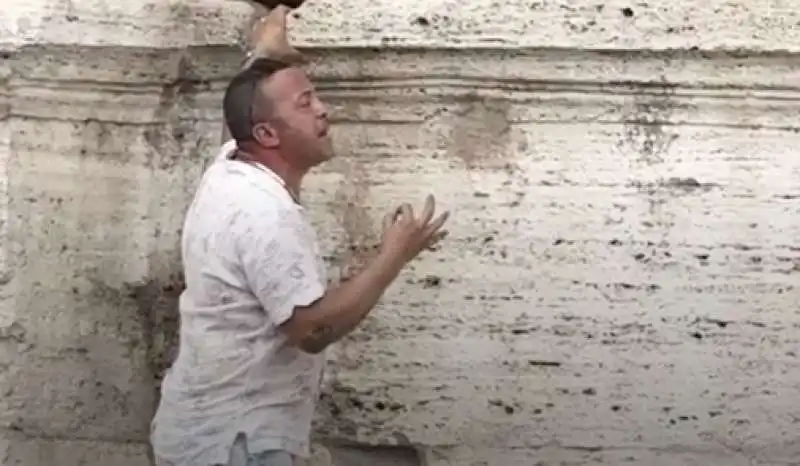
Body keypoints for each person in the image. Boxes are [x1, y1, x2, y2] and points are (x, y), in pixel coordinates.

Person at [149, 5, 449, 466]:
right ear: (268, 133)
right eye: (305, 103)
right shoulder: (264, 214)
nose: (323, 110)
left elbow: (244, 108)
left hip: (200, 431)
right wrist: (395, 255)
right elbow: (312, 330)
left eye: (315, 97)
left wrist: (267, 50)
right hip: (239, 444)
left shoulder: (233, 163)